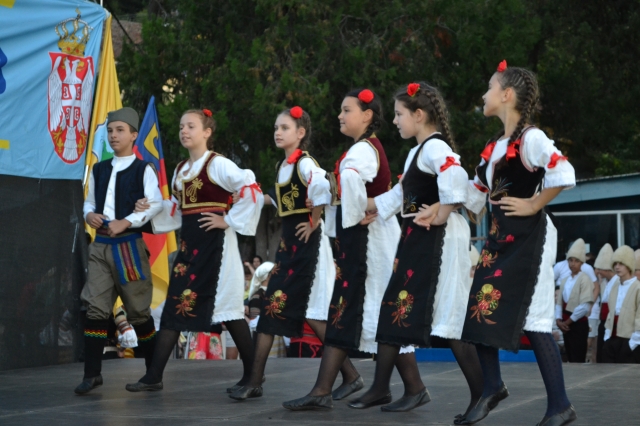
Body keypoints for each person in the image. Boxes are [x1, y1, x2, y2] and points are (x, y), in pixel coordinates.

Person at [344, 82, 482, 416]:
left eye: (399, 114)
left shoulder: (435, 148)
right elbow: (397, 197)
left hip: (440, 240)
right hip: (418, 238)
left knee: (448, 318)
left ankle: (484, 391)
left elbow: (456, 174)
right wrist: (359, 203)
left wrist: (443, 212)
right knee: (394, 306)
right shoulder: (417, 152)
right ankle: (381, 387)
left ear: (418, 115)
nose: (394, 121)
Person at [459, 60, 577, 426]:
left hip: (531, 238)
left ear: (506, 95)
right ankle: (492, 386)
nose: (484, 94)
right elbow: (473, 196)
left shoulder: (531, 139)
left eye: (490, 87)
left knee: (536, 319)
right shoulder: (494, 147)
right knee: (479, 308)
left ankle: (560, 406)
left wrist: (533, 203)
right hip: (499, 239)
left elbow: (564, 171)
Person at [282, 89, 406, 411]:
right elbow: (340, 185)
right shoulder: (358, 150)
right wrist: (325, 198)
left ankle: (403, 386)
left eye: (346, 109)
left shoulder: (362, 152)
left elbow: (351, 185)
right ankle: (331, 387)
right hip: (362, 237)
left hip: (370, 239)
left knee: (364, 310)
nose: (340, 115)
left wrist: (354, 206)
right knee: (347, 310)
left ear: (366, 115)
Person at [125, 108, 263, 391]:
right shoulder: (180, 171)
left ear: (207, 132)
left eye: (191, 126)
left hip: (218, 251)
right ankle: (154, 376)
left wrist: (228, 220)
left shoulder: (218, 165)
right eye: (181, 126)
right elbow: (176, 210)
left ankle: (254, 376)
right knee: (174, 309)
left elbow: (252, 190)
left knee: (229, 311)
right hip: (189, 251)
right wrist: (148, 208)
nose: (184, 131)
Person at [230, 106, 348, 402]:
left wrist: (315, 220)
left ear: (300, 133)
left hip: (309, 247)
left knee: (313, 315)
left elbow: (322, 184)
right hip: (289, 247)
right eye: (276, 128)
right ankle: (255, 379)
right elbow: (280, 198)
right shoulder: (284, 167)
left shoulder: (305, 163)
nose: (277, 132)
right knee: (277, 310)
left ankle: (255, 379)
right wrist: (249, 195)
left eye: (284, 127)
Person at [75, 107, 163, 395]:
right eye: (111, 130)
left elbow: (156, 203)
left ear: (134, 135)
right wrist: (90, 216)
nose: (113, 135)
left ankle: (153, 373)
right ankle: (92, 374)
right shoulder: (99, 169)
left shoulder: (143, 169)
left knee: (138, 311)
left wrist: (127, 220)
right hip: (100, 246)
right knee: (96, 308)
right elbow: (89, 203)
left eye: (120, 130)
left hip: (129, 248)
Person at [555, 238, 594, 363]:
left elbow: (584, 306)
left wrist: (567, 322)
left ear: (582, 263)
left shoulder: (585, 279)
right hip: (566, 323)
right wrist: (558, 320)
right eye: (570, 260)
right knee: (570, 356)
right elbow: (559, 303)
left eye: (576, 261)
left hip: (577, 323)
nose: (573, 264)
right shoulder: (565, 280)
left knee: (578, 356)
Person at [601, 246, 640, 363]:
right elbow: (610, 313)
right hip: (612, 339)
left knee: (626, 378)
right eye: (615, 263)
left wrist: (632, 343)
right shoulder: (614, 286)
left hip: (629, 340)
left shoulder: (638, 287)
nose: (617, 267)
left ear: (629, 266)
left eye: (621, 263)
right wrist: (607, 337)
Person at [592, 243, 616, 363]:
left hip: (611, 322)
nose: (597, 272)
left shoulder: (616, 281)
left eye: (599, 269)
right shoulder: (604, 282)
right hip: (603, 321)